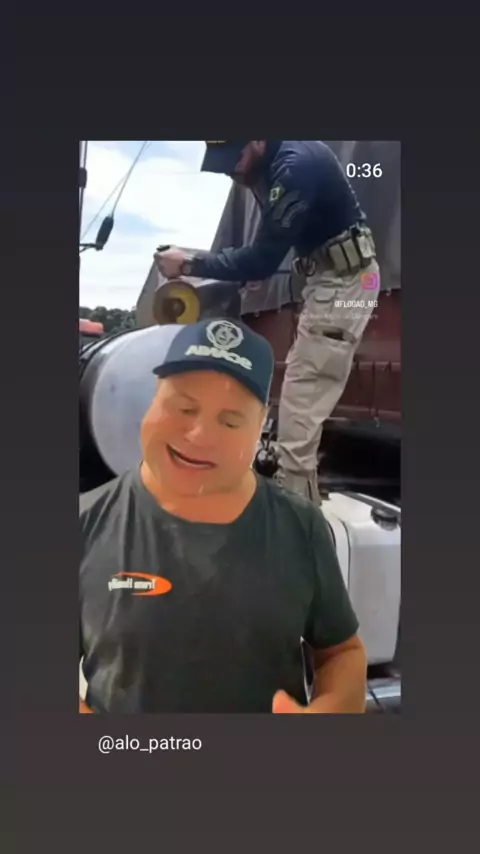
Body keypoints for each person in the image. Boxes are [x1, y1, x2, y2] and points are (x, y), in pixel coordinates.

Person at [79, 317, 367, 714]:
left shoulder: (300, 525)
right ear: (153, 400)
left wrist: (331, 709)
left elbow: (342, 653)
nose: (200, 435)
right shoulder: (86, 522)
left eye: (230, 420)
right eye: (184, 407)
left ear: (260, 425)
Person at [155, 141, 380, 504]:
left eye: (235, 159)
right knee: (299, 393)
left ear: (257, 140)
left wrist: (189, 263)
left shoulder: (295, 167)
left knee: (301, 404)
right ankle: (295, 505)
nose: (232, 171)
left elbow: (261, 259)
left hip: (346, 282)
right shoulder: (271, 165)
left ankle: (295, 518)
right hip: (330, 278)